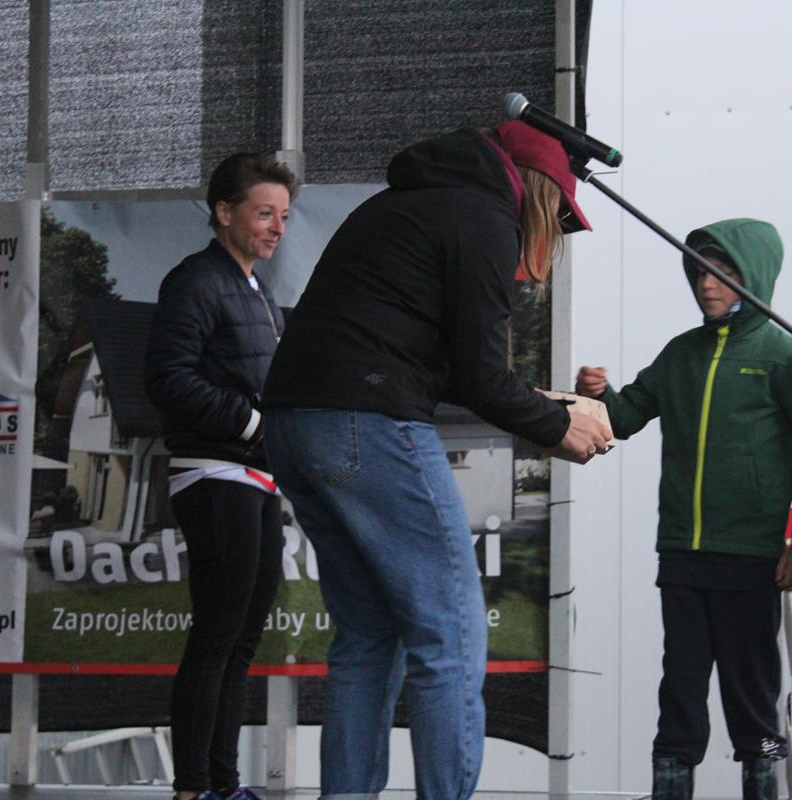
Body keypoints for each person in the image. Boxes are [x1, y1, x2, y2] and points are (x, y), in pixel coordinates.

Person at [261, 120, 611, 799]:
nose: (556, 235)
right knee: (449, 638)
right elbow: (481, 378)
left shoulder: (404, 204)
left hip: (295, 425)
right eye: (561, 219)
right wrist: (558, 427)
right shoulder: (485, 220)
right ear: (542, 194)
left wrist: (546, 402)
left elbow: (428, 361)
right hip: (367, 424)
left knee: (368, 635)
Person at [574, 219, 792, 800]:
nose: (707, 285)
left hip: (752, 559)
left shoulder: (785, 357)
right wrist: (597, 395)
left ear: (755, 276)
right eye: (700, 272)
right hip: (682, 554)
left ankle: (765, 781)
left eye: (724, 273)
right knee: (679, 695)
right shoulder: (680, 354)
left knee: (754, 699)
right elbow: (625, 418)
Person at [144, 152, 297, 800]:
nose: (277, 227)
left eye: (284, 216)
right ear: (224, 212)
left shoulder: (257, 291)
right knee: (217, 636)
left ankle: (224, 785)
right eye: (264, 213)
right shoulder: (196, 280)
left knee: (240, 641)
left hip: (256, 479)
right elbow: (168, 378)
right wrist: (253, 424)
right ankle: (193, 788)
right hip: (213, 474)